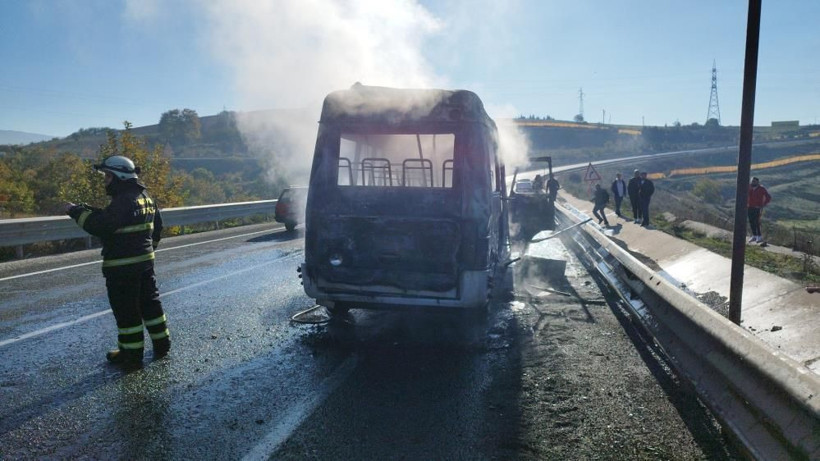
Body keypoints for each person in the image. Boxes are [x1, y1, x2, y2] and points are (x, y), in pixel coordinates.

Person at [64, 156, 170, 367]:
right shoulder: (144, 196)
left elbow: (101, 226)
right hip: (145, 265)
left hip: (122, 269)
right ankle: (162, 344)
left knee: (126, 312)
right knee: (150, 304)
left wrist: (76, 212)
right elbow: (156, 228)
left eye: (108, 176)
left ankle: (130, 355)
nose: (105, 181)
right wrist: (147, 253)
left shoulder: (123, 201)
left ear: (119, 177)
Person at [747, 176, 772, 243]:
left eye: (754, 181)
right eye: (752, 181)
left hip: (757, 208)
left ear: (757, 182)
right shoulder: (749, 187)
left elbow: (768, 197)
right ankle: (754, 236)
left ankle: (759, 236)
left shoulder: (761, 189)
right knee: (751, 221)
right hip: (749, 207)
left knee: (757, 222)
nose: (752, 182)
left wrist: (762, 205)